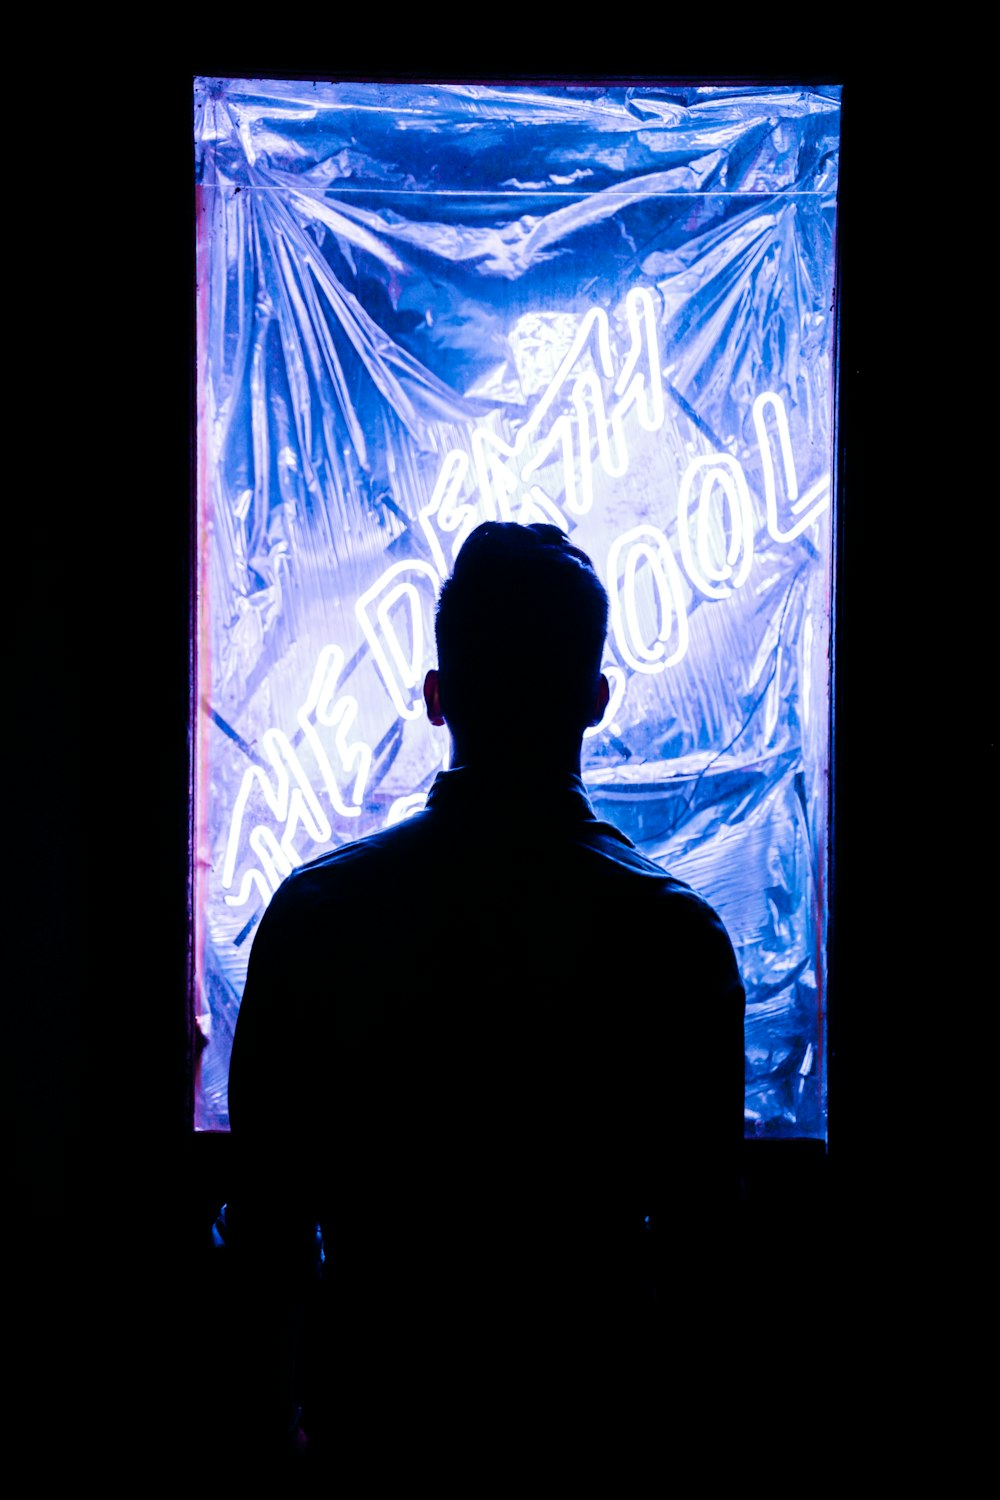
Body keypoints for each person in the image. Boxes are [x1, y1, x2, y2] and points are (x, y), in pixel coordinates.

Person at [221, 521, 746, 1472]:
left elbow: (268, 1241)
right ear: (595, 702)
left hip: (380, 1434)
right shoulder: (676, 940)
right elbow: (702, 1260)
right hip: (587, 1442)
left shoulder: (317, 918)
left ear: (435, 696)